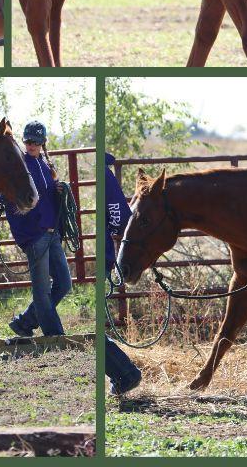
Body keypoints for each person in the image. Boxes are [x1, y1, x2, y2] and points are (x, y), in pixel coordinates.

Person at [0, 121, 72, 337]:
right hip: (33, 232)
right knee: (42, 290)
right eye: (28, 141)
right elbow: (2, 192)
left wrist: (59, 189)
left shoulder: (46, 166)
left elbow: (49, 194)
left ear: (42, 143)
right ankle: (55, 335)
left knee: (64, 283)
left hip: (52, 231)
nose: (31, 145)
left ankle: (25, 322)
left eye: (36, 142)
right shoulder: (18, 164)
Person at [104, 152, 142, 395]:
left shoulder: (103, 177)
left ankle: (125, 374)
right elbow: (120, 217)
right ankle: (123, 374)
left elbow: (120, 216)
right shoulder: (105, 176)